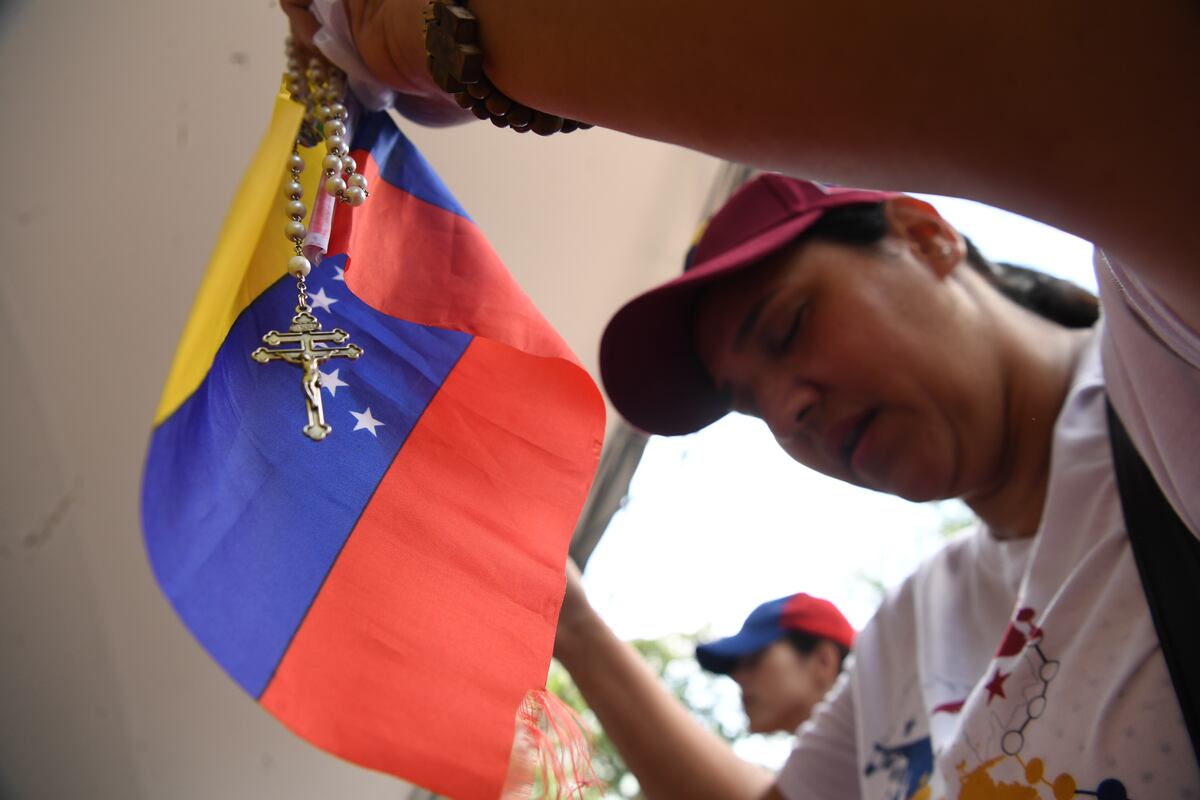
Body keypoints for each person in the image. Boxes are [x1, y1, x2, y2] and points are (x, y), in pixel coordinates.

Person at [279, 3, 1200, 797]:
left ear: (925, 236)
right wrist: (576, 625)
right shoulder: (918, 628)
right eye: (750, 408)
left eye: (790, 326)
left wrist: (434, 32)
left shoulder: (1168, 344)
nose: (789, 414)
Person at [554, 560, 854, 799]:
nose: (738, 678)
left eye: (754, 659)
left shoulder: (880, 736)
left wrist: (577, 626)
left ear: (823, 661)